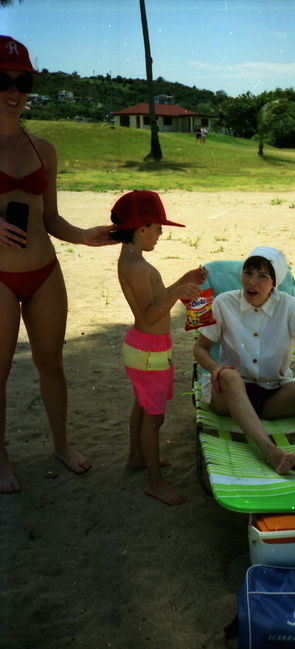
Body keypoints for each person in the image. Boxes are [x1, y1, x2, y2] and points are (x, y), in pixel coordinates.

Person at [0, 36, 114, 493]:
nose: (13, 92)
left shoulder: (43, 147)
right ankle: (2, 455)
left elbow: (49, 217)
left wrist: (83, 236)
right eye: (3, 81)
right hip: (2, 278)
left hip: (45, 272)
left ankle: (61, 444)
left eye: (23, 82)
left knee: (52, 364)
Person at [193, 246, 295, 475]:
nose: (251, 282)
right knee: (229, 374)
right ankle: (270, 450)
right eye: (248, 273)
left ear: (274, 283)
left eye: (262, 276)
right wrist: (215, 368)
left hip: (273, 397)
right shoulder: (224, 303)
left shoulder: (288, 305)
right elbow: (200, 349)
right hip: (228, 395)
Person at [110, 190, 207, 506]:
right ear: (141, 229)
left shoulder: (135, 260)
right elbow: (148, 314)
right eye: (158, 228)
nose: (161, 234)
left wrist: (182, 282)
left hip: (145, 348)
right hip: (149, 352)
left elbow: (156, 300)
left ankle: (137, 457)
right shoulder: (137, 268)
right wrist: (178, 291)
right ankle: (155, 482)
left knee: (141, 405)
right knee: (154, 418)